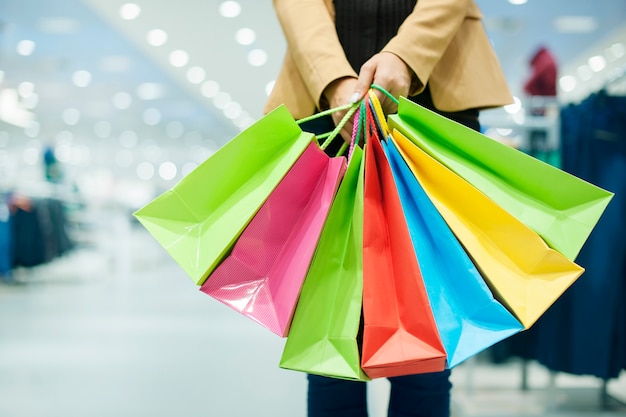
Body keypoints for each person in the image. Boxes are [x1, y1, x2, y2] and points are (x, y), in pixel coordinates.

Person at [265, 1, 513, 416]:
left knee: (429, 341)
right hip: (327, 101)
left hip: (432, 93)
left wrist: (406, 56)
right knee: (329, 339)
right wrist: (335, 80)